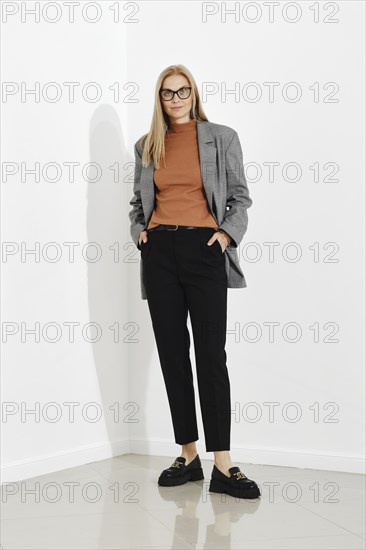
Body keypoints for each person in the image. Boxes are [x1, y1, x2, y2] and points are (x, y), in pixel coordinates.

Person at [129, 64, 260, 499]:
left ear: (194, 94)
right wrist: (141, 235)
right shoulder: (147, 145)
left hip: (205, 251)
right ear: (159, 99)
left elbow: (239, 197)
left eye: (183, 90)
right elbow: (137, 203)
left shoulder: (222, 138)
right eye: (168, 93)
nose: (177, 98)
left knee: (210, 354)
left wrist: (225, 235)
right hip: (160, 253)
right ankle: (188, 455)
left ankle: (223, 463)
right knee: (172, 354)